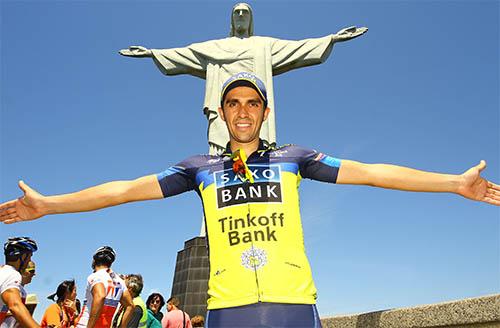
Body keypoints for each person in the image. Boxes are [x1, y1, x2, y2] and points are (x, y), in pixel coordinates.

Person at [0, 73, 498, 326]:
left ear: (264, 111)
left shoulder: (294, 158)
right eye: (233, 102)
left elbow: (371, 172)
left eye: (252, 102)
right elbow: (123, 191)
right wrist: (51, 205)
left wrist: (453, 182)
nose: (242, 110)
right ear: (221, 112)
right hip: (228, 309)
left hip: (294, 306)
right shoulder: (200, 168)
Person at [119, 3, 368, 154]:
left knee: (258, 156)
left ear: (250, 20)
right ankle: (210, 226)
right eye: (236, 12)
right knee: (219, 160)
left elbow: (298, 48)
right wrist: (152, 53)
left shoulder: (263, 45)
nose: (240, 15)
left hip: (253, 110)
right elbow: (185, 53)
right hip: (225, 112)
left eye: (244, 12)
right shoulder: (215, 46)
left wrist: (332, 39)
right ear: (231, 19)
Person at [75, 246, 134, 328]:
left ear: (94, 260)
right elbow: (130, 306)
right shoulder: (119, 281)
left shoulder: (95, 276)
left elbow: (100, 296)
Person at [0, 237, 40, 328]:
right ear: (22, 257)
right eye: (29, 257)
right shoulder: (11, 273)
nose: (29, 261)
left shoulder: (3, 273)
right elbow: (15, 306)